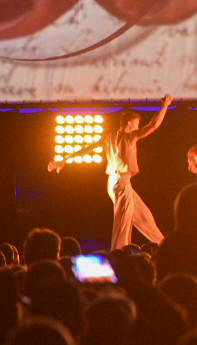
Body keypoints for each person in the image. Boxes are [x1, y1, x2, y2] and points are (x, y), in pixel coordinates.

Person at [49, 95, 172, 250]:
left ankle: (165, 245)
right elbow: (153, 125)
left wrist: (65, 159)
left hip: (116, 182)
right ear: (129, 124)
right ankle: (119, 253)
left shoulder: (108, 138)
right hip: (121, 182)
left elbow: (86, 149)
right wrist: (165, 106)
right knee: (123, 222)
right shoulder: (130, 136)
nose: (138, 126)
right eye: (136, 123)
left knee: (144, 216)